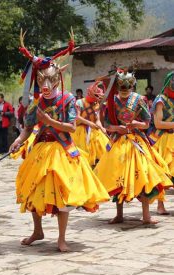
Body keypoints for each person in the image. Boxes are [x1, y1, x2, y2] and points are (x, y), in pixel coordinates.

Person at [10, 29, 109, 252]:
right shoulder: (35, 104)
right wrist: (18, 140)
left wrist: (49, 122)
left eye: (49, 80)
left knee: (63, 195)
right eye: (41, 79)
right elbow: (27, 128)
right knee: (34, 191)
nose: (45, 84)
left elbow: (71, 127)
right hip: (40, 152)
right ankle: (38, 230)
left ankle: (61, 238)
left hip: (62, 151)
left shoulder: (68, 99)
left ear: (57, 80)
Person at [94, 69, 172, 224]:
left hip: (137, 142)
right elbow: (107, 124)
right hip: (119, 141)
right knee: (118, 176)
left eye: (127, 87)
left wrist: (136, 123)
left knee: (143, 175)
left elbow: (147, 123)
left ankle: (146, 215)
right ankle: (119, 214)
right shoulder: (112, 100)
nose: (124, 91)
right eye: (121, 87)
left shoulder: (139, 99)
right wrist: (117, 128)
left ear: (132, 86)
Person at [147, 72, 174, 215]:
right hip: (162, 140)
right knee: (163, 173)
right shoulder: (160, 99)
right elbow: (158, 123)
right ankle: (160, 205)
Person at [71, 81, 110, 166]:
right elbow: (77, 118)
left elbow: (97, 119)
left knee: (104, 151)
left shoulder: (96, 104)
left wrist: (101, 127)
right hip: (80, 131)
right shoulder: (79, 102)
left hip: (94, 131)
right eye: (96, 96)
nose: (98, 98)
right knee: (82, 155)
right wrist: (89, 123)